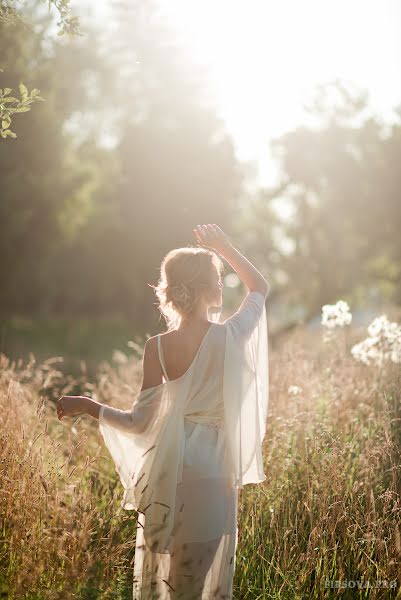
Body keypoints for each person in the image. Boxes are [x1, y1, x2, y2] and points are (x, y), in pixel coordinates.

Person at [57, 224, 269, 600]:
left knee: (176, 586)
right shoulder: (230, 336)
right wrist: (225, 247)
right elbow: (259, 287)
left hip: (169, 471)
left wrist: (91, 407)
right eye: (218, 278)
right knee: (194, 585)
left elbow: (138, 424)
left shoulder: (156, 347)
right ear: (204, 288)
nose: (222, 286)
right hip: (212, 471)